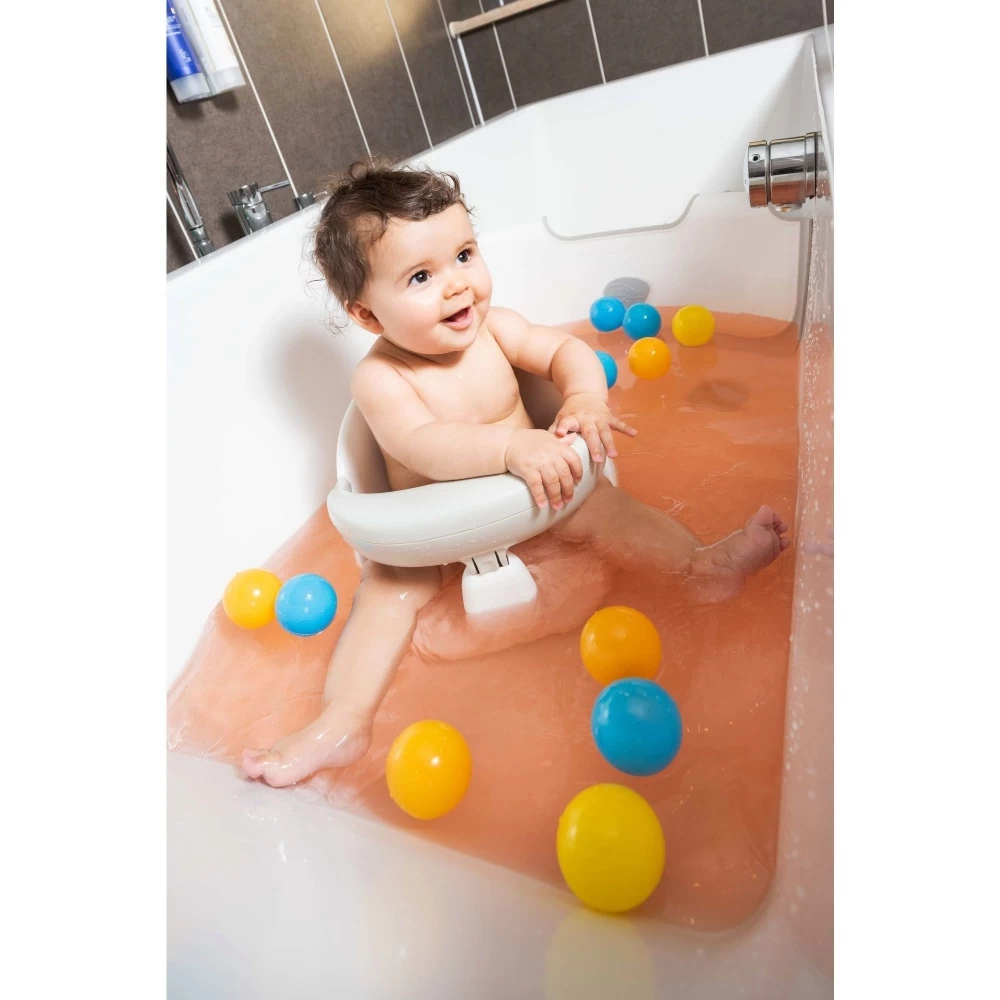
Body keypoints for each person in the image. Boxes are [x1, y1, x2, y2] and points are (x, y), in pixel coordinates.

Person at [242, 161, 789, 788]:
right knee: (388, 592)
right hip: (437, 539)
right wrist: (509, 447)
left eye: (464, 255)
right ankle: (342, 723)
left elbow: (566, 351)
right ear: (368, 315)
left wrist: (583, 398)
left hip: (536, 504)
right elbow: (423, 445)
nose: (457, 286)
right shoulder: (380, 378)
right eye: (421, 276)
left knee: (607, 511)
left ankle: (700, 569)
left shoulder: (498, 330)